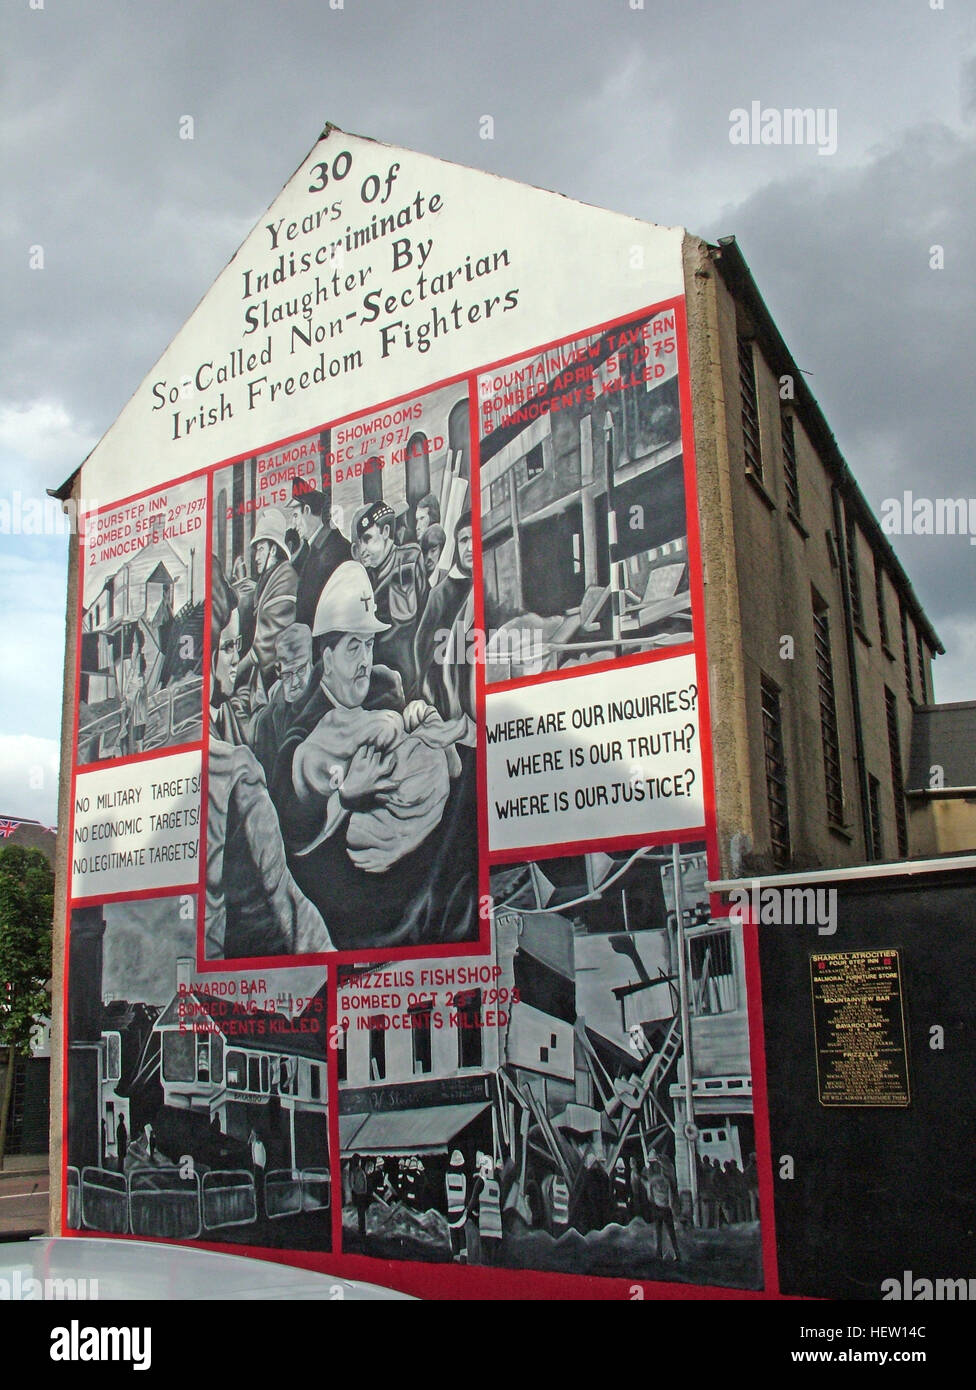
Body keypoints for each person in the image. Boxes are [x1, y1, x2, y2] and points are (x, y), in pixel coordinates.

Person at [270, 561, 477, 950]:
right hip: (358, 895)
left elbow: (411, 741)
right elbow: (290, 841)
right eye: (353, 648)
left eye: (368, 645)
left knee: (472, 779)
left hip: (414, 848)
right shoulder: (300, 732)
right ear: (326, 658)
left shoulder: (385, 684)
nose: (365, 660)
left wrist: (418, 720)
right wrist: (346, 796)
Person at [206, 559, 332, 959]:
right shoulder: (241, 751)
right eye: (227, 647)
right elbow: (281, 891)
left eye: (237, 646)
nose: (234, 658)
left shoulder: (233, 720)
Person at [356, 500, 427, 693]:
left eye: (367, 539)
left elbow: (426, 622)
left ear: (386, 532)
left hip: (410, 684)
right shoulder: (363, 578)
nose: (362, 549)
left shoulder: (410, 561)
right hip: (375, 685)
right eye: (359, 542)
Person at [413, 511, 475, 720]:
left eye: (476, 539)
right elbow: (423, 652)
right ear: (456, 545)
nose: (471, 548)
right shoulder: (439, 595)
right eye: (465, 539)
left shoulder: (488, 584)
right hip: (451, 710)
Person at [236, 509, 298, 696]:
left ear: (273, 549)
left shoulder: (286, 579)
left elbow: (265, 646)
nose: (256, 557)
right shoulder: (274, 576)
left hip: (279, 681)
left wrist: (235, 673)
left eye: (261, 549)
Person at [248, 623, 316, 778]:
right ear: (278, 670)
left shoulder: (329, 700)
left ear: (311, 663)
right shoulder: (266, 723)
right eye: (287, 674)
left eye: (300, 670)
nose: (295, 682)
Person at [289, 480, 351, 630]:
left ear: (307, 510)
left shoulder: (332, 551)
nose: (293, 523)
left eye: (296, 516)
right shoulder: (317, 548)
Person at [644, 1148, 679, 1260]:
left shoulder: (652, 1180)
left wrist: (654, 1201)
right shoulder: (666, 1180)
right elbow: (671, 1197)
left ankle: (658, 1253)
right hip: (666, 1208)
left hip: (657, 1208)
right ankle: (676, 1254)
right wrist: (670, 1206)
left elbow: (649, 1197)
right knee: (671, 1232)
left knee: (658, 1232)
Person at [350, 1155, 372, 1239]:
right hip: (359, 1194)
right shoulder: (354, 1171)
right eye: (358, 1160)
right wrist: (357, 1192)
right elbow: (352, 1184)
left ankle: (362, 1229)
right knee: (361, 1213)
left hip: (362, 1194)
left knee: (362, 1213)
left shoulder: (359, 1170)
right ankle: (362, 1230)